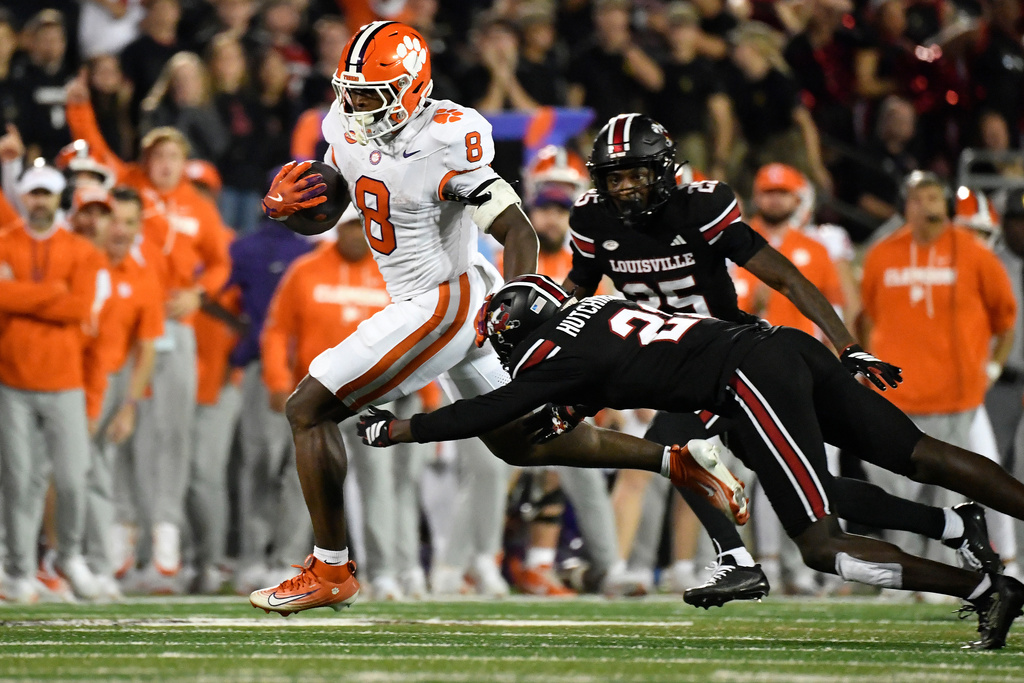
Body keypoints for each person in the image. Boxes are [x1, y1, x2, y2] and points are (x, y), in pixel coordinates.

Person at [249, 20, 745, 615]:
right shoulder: (346, 124)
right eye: (348, 91)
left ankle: (330, 569)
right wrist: (298, 209)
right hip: (441, 299)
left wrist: (520, 294)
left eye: (369, 95)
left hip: (446, 297)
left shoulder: (445, 139)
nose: (353, 106)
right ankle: (677, 460)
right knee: (522, 442)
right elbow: (348, 200)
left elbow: (515, 228)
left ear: (411, 90)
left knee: (307, 408)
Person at [359, 274, 1024, 650]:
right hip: (781, 347)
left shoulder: (549, 354)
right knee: (921, 454)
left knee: (819, 544)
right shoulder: (595, 315)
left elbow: (487, 411)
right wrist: (570, 410)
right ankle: (979, 531)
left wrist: (399, 427)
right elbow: (611, 373)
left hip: (745, 377)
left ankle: (985, 590)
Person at [546, 113, 1001, 608]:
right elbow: (577, 292)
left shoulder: (700, 208)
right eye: (616, 177)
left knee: (670, 446)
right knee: (808, 487)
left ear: (663, 171)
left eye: (637, 174)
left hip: (730, 358)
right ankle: (953, 525)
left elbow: (785, 278)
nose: (627, 188)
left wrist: (847, 345)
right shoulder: (593, 220)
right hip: (676, 368)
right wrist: (539, 330)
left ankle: (736, 562)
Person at [859, 171, 1018, 564]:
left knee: (950, 493)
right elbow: (867, 316)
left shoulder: (975, 253)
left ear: (945, 204)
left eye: (933, 196)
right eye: (917, 197)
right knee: (895, 492)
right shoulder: (881, 253)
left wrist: (992, 369)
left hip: (954, 397)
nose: (925, 204)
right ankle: (901, 569)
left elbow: (1005, 321)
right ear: (904, 205)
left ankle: (943, 574)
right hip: (895, 395)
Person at [0, 165, 107, 603]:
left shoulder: (81, 251)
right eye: (33, 194)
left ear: (57, 197)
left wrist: (20, 295)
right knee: (19, 478)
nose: (40, 201)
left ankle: (71, 556)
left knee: (72, 478)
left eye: (47, 193)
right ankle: (20, 569)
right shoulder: (5, 242)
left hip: (65, 379)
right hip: (12, 379)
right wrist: (53, 296)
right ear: (24, 197)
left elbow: (80, 308)